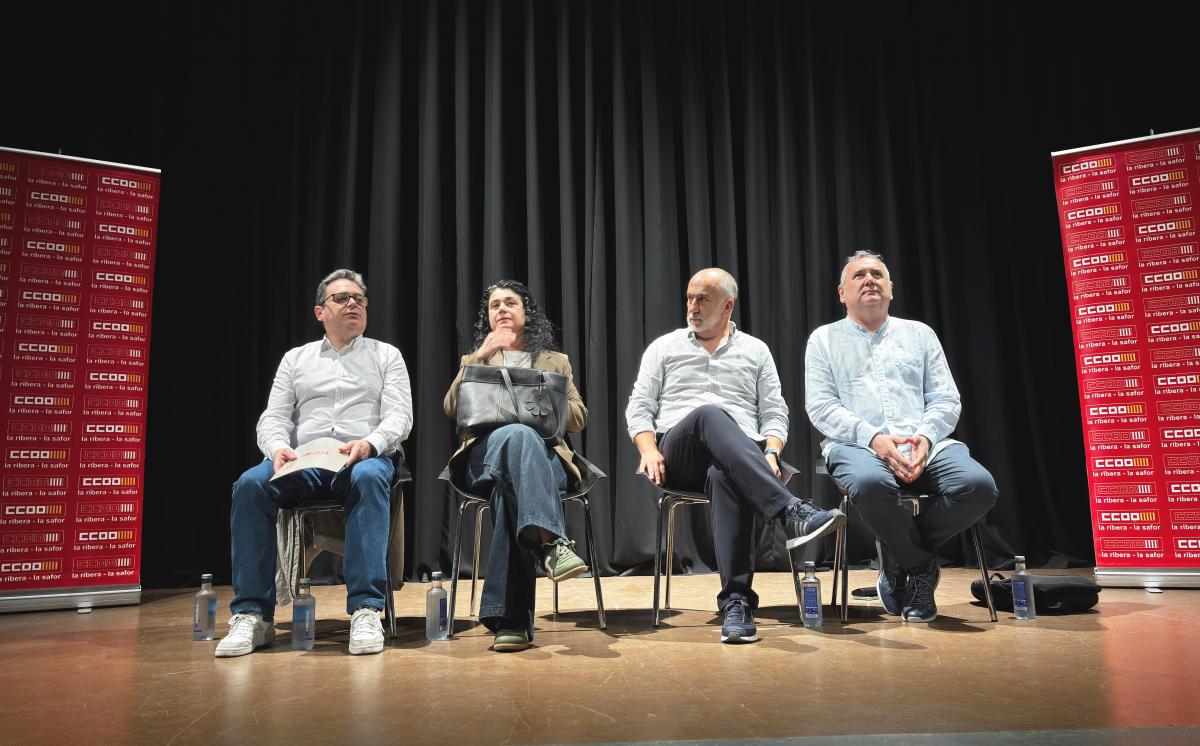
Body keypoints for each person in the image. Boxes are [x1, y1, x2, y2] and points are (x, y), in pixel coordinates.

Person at [626, 268, 846, 644]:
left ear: (728, 305)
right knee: (710, 414)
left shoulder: (755, 350)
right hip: (679, 455)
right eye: (690, 298)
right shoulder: (664, 348)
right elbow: (639, 407)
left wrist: (772, 452)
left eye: (703, 299)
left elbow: (774, 412)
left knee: (725, 475)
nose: (692, 307)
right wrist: (647, 448)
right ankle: (792, 511)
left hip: (741, 458)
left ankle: (736, 604)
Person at [216, 269, 413, 657]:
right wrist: (276, 448)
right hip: (302, 463)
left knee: (372, 477)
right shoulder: (296, 359)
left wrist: (370, 444)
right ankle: (254, 615)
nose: (354, 303)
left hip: (360, 459)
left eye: (360, 298)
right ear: (320, 311)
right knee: (251, 485)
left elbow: (399, 417)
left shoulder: (386, 355)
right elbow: (273, 418)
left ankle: (366, 609)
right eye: (342, 298)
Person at [804, 250, 998, 622]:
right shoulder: (824, 340)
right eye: (858, 275)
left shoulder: (919, 334)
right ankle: (921, 566)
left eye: (877, 273)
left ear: (890, 288)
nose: (869, 279)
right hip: (857, 445)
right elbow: (821, 407)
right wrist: (874, 437)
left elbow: (945, 398)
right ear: (841, 292)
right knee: (869, 484)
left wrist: (925, 437)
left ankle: (898, 553)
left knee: (978, 486)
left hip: (926, 444)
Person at [443, 280, 589, 652]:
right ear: (488, 316)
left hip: (545, 462)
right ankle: (552, 542)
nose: (502, 309)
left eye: (511, 302)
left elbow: (578, 417)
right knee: (517, 437)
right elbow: (451, 408)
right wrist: (479, 357)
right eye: (495, 305)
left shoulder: (555, 361)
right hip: (484, 459)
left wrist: (542, 395)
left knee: (510, 494)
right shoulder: (475, 360)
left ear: (526, 312)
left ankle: (510, 622)